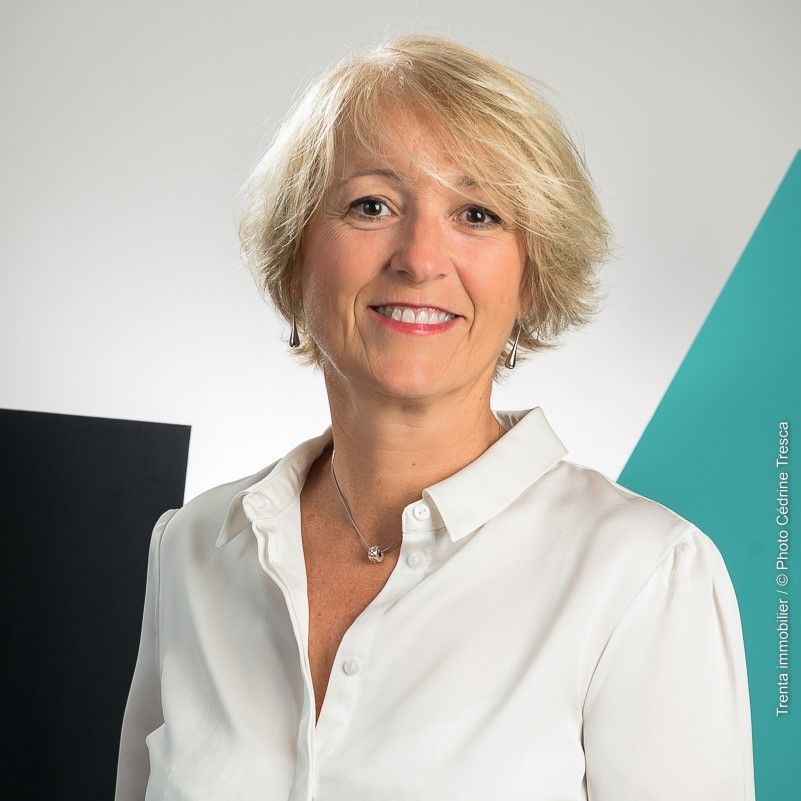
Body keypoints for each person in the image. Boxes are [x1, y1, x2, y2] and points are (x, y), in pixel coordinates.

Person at [114, 32, 755, 801]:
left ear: (530, 277)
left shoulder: (643, 575)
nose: (419, 258)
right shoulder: (191, 548)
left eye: (476, 214)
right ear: (297, 252)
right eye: (371, 205)